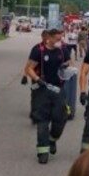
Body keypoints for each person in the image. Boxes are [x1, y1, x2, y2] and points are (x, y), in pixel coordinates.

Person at [25, 28, 71, 164]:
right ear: (48, 38)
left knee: (60, 118)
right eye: (57, 39)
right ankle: (43, 152)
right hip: (42, 89)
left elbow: (69, 64)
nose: (59, 41)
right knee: (42, 120)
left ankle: (53, 139)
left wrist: (67, 70)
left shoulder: (63, 50)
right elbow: (29, 68)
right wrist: (37, 79)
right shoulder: (38, 50)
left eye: (60, 38)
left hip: (58, 89)